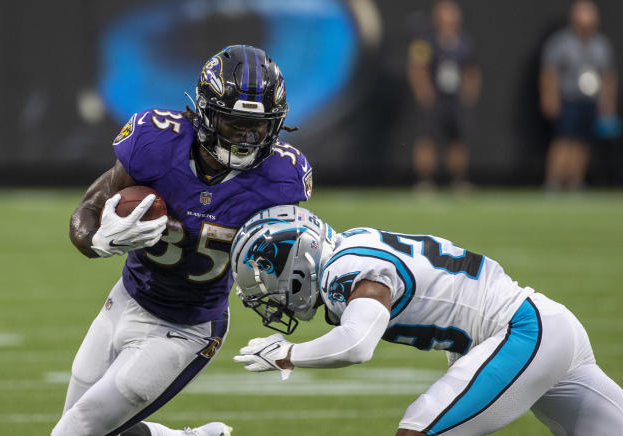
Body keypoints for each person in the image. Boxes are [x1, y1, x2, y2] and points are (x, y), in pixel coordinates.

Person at [54, 45, 313, 436]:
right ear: (206, 113)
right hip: (124, 299)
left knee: (76, 431)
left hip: (189, 328)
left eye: (257, 127)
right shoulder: (156, 142)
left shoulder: (281, 178)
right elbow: (89, 206)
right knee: (88, 426)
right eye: (234, 123)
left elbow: (298, 256)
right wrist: (96, 240)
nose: (246, 138)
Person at [230, 205, 623, 435]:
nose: (272, 298)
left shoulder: (343, 268)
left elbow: (356, 343)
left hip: (521, 333)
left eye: (269, 279)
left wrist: (289, 355)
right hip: (542, 327)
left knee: (418, 428)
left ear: (298, 259)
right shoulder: (353, 243)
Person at [540, 0, 618, 191]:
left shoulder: (601, 44)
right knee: (564, 139)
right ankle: (554, 180)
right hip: (568, 97)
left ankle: (575, 181)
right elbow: (549, 73)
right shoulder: (561, 42)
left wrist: (608, 101)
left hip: (590, 99)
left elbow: (608, 76)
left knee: (583, 142)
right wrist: (549, 97)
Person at [407, 0, 481, 189]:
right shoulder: (425, 42)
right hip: (435, 98)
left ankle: (458, 180)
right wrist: (423, 91)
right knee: (427, 139)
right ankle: (424, 180)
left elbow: (471, 70)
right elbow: (416, 68)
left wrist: (470, 91)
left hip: (455, 98)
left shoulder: (464, 43)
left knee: (457, 140)